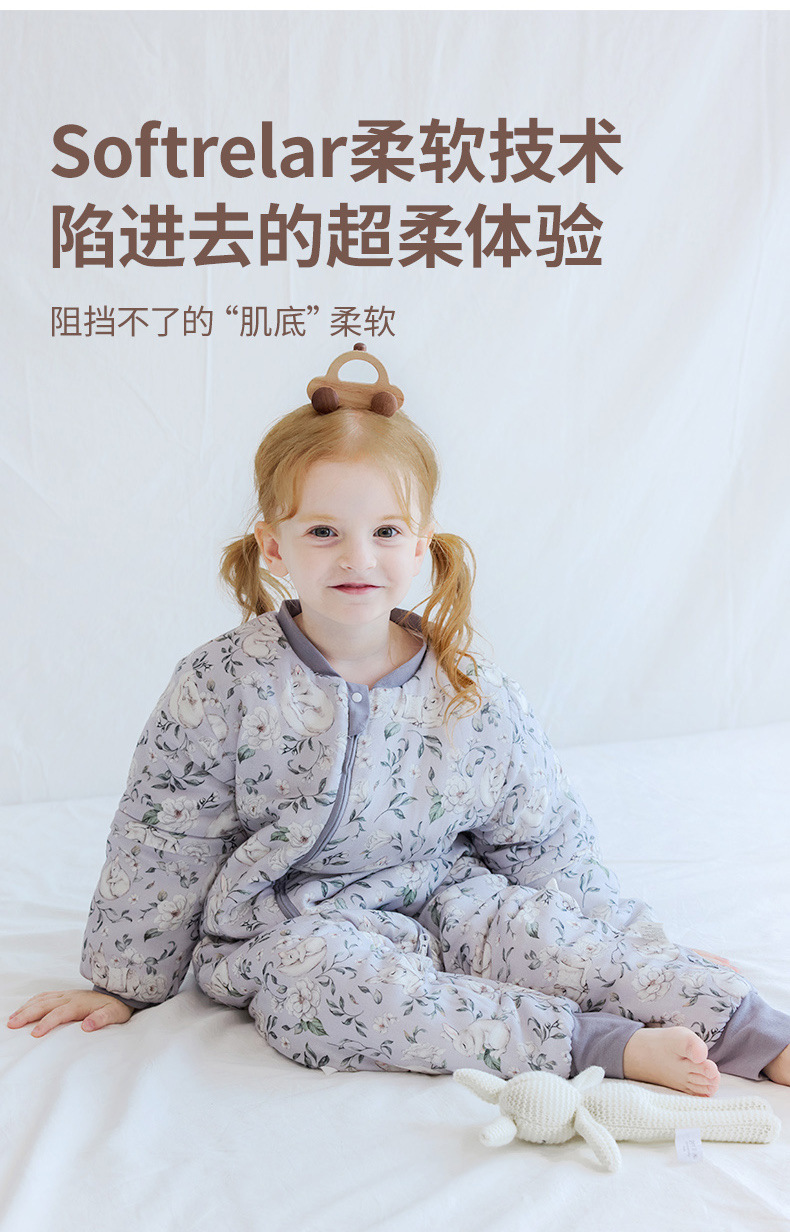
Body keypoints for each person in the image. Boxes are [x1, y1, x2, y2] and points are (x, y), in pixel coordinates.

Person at [8, 349, 790, 1093]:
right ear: (273, 546)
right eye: (324, 531)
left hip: (453, 901)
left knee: (554, 939)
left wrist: (637, 945)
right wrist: (124, 984)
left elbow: (546, 842)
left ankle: (759, 1036)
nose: (358, 557)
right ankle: (596, 1046)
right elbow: (165, 836)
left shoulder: (470, 692)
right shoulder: (221, 684)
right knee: (324, 998)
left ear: (420, 546)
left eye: (385, 531)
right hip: (296, 929)